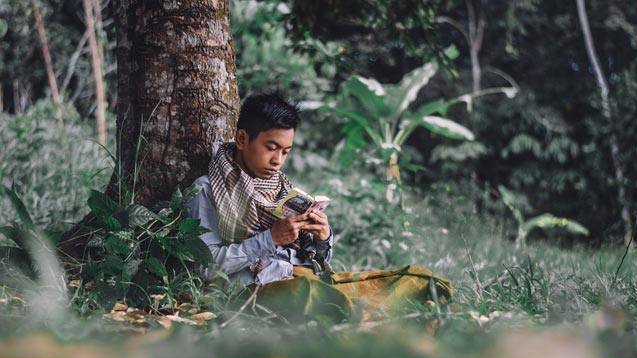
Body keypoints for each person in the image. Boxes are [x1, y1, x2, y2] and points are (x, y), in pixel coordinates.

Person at [188, 91, 451, 322]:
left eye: (286, 151)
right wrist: (269, 239)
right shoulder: (208, 190)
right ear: (243, 139)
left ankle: (376, 301)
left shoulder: (281, 189)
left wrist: (322, 239)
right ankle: (364, 308)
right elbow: (205, 267)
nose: (278, 160)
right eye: (271, 148)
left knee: (417, 279)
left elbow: (316, 261)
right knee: (315, 296)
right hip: (256, 290)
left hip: (301, 276)